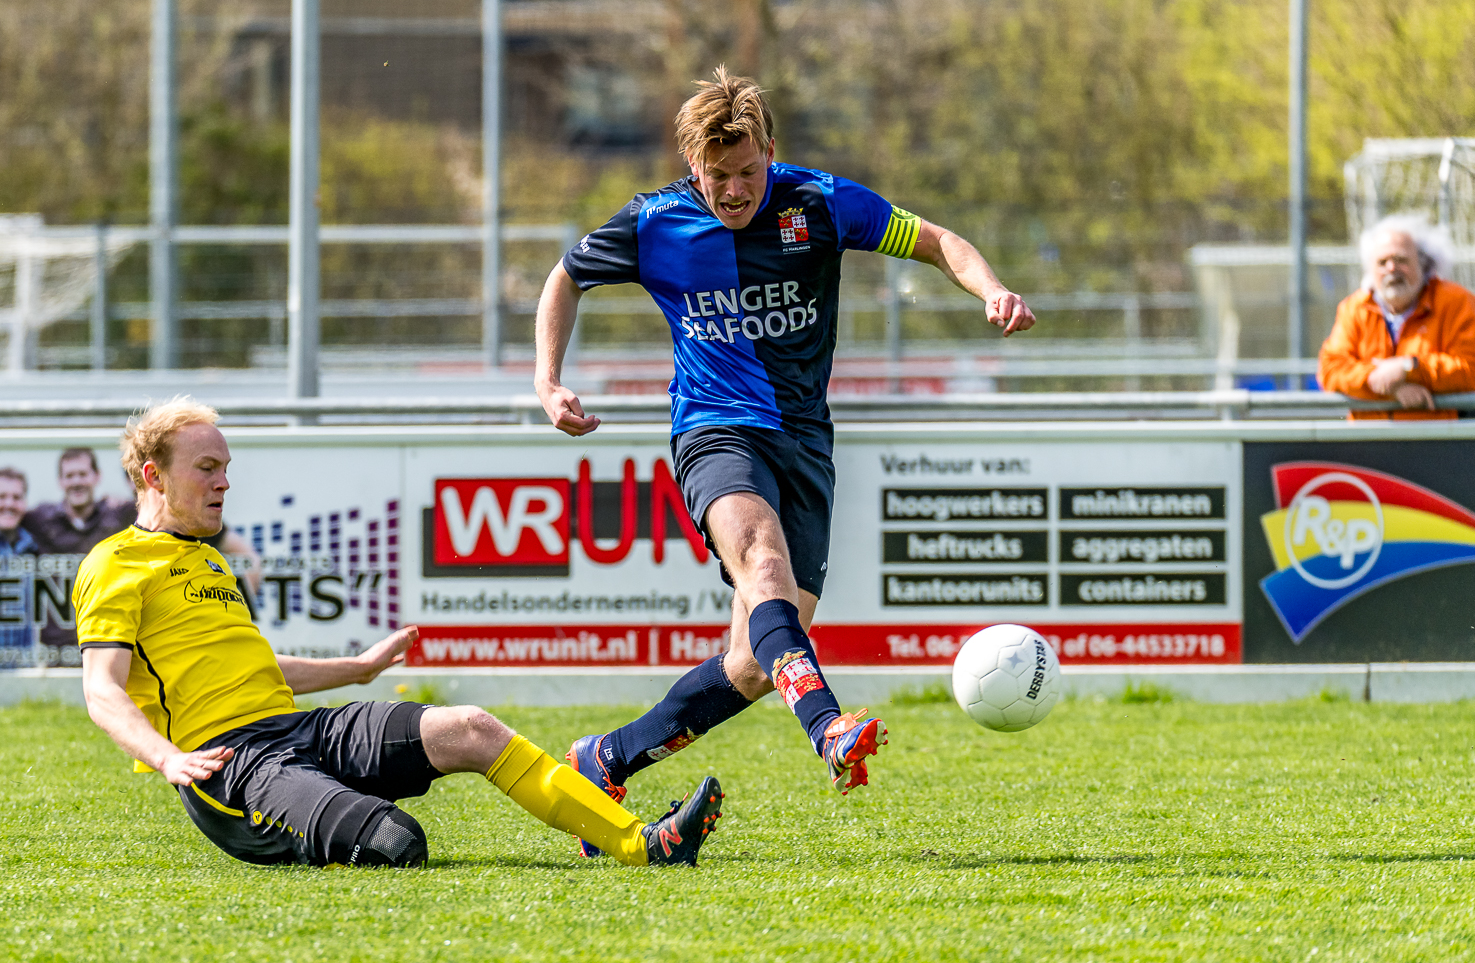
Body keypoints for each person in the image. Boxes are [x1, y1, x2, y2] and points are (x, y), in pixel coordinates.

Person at [533, 67, 1035, 853]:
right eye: (716, 175)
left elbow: (934, 240)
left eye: (746, 172)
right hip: (714, 431)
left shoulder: (822, 203)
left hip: (805, 443)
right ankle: (829, 728)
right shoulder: (654, 221)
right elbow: (564, 279)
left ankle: (604, 760)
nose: (732, 191)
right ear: (691, 164)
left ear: (772, 150)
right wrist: (547, 379)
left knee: (756, 661)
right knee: (760, 562)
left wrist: (991, 289)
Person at [76, 398, 725, 869]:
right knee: (397, 842)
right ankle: (327, 813)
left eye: (226, 466)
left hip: (294, 732)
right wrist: (167, 758)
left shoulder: (210, 557)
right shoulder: (115, 563)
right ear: (153, 475)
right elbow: (103, 691)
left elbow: (252, 670)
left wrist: (356, 670)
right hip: (230, 772)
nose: (223, 481)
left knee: (469, 727)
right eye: (207, 467)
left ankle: (643, 843)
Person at [1319, 213, 1475, 420]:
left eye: (1401, 260)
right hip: (1368, 442)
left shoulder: (1458, 303)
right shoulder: (1355, 308)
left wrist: (1409, 368)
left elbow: (1473, 372)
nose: (1391, 269)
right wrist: (1382, 384)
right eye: (1382, 262)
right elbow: (1330, 369)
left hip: (1439, 440)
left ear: (1423, 263)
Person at [24, 446, 138, 650]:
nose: (76, 482)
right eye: (69, 475)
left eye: (83, 474)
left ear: (97, 476)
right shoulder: (40, 520)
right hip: (57, 649)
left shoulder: (118, 516)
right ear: (60, 481)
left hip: (106, 643)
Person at [0, 467, 38, 658]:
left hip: (23, 670)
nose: (9, 504)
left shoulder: (32, 546)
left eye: (16, 497)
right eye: (2, 496)